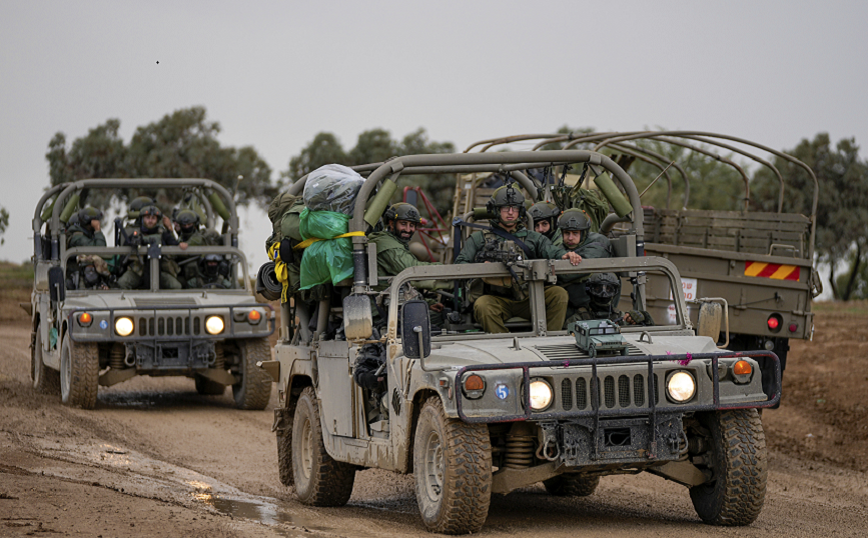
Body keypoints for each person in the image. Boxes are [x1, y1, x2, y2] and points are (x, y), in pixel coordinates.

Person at [454, 183, 581, 333]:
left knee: (558, 294)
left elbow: (550, 251)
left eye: (514, 208)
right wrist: (483, 266)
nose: (510, 213)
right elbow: (460, 264)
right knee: (482, 305)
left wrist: (564, 255)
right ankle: (505, 345)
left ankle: (549, 340)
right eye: (505, 208)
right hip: (496, 299)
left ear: (520, 210)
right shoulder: (478, 239)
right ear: (496, 210)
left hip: (530, 297)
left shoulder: (532, 238)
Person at [367, 203, 444, 324]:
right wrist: (448, 270)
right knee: (442, 317)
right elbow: (413, 271)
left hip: (393, 303)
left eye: (412, 225)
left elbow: (406, 284)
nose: (408, 230)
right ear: (392, 223)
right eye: (403, 224)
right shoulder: (387, 245)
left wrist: (427, 303)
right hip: (381, 312)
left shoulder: (395, 242)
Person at [554, 209, 615, 328]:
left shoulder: (598, 243)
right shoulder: (560, 247)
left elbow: (569, 273)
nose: (570, 238)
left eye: (575, 233)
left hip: (596, 303)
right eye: (566, 233)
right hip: (571, 304)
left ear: (584, 233)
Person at [117, 205, 183, 290]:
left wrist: (180, 244)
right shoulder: (135, 235)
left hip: (159, 271)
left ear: (157, 220)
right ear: (142, 219)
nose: (150, 221)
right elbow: (124, 253)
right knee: (122, 282)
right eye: (147, 218)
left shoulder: (163, 234)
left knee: (176, 286)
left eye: (153, 218)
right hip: (138, 271)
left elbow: (175, 246)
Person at [568, 272, 653, 327]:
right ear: (589, 290)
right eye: (598, 289)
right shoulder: (579, 318)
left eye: (608, 289)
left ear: (615, 291)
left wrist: (644, 317)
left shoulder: (622, 318)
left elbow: (651, 335)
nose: (603, 293)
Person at [66, 206, 108, 289]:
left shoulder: (87, 235)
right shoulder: (77, 237)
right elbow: (100, 249)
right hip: (76, 276)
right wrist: (97, 230)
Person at [174, 209, 209, 285]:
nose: (186, 227)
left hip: (200, 273)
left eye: (189, 225)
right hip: (185, 274)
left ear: (194, 225)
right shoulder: (181, 237)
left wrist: (187, 244)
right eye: (184, 225)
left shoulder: (199, 236)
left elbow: (196, 241)